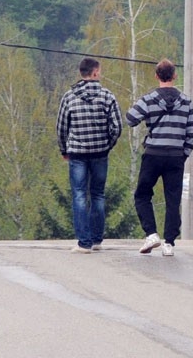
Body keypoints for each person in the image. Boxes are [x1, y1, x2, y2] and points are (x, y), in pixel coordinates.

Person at [125, 59, 193, 257]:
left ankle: (151, 233)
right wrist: (183, 154)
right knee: (173, 199)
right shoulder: (186, 102)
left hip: (153, 154)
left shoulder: (148, 99)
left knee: (142, 194)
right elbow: (191, 133)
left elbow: (130, 118)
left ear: (156, 76)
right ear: (174, 76)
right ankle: (169, 243)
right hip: (175, 155)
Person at [56, 57, 122, 253]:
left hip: (77, 153)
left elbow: (61, 127)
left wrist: (64, 149)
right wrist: (107, 145)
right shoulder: (107, 96)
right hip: (100, 152)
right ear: (94, 73)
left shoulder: (69, 97)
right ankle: (96, 240)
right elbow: (117, 127)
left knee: (78, 195)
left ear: (81, 73)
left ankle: (83, 242)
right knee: (98, 195)